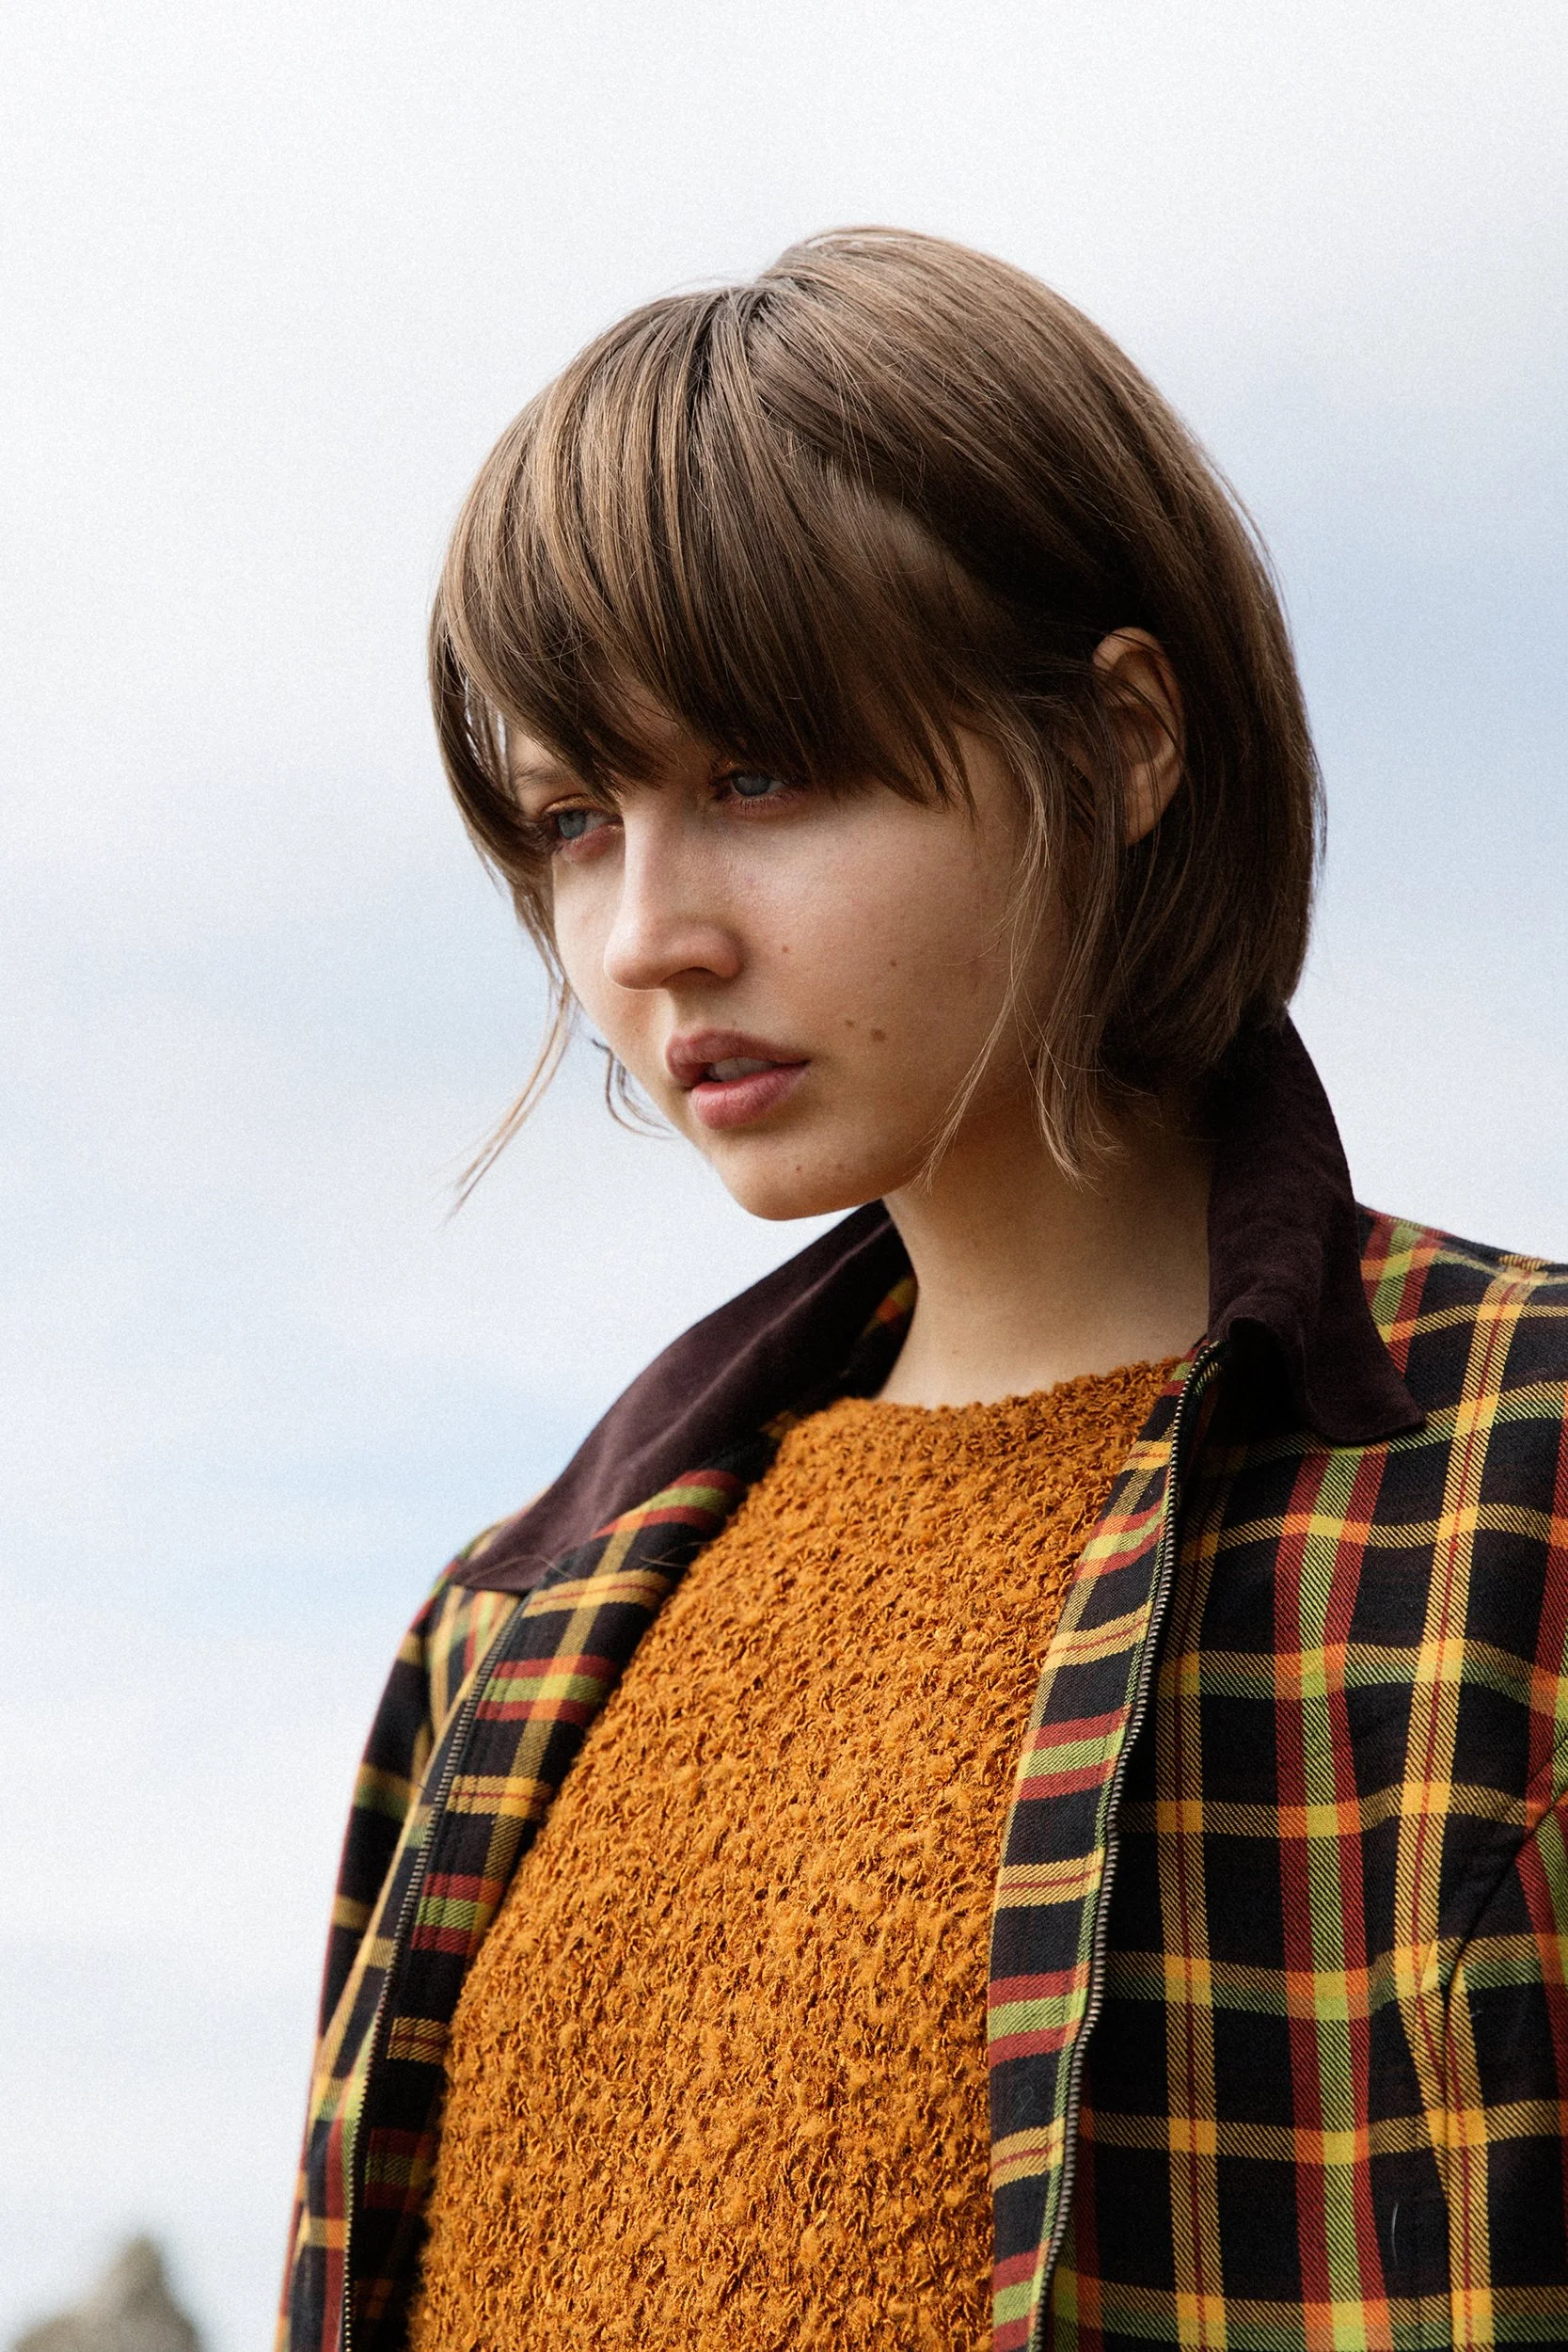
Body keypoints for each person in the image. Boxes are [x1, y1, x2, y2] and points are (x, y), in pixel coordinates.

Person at [277, 230, 1568, 2352]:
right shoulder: (503, 1633)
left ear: (1123, 740)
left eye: (758, 777)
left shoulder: (1518, 1489)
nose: (646, 935)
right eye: (573, 818)